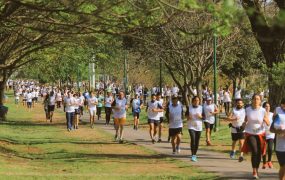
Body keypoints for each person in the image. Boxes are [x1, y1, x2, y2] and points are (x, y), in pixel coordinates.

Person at [241, 94, 269, 179]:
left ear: (260, 101)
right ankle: (254, 171)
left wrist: (266, 121)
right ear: (252, 100)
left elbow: (268, 122)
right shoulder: (247, 110)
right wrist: (243, 124)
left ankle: (257, 170)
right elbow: (244, 121)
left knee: (259, 153)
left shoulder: (263, 110)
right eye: (255, 99)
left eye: (258, 99)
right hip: (250, 133)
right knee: (254, 151)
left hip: (261, 134)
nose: (256, 101)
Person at [270, 98, 285, 180]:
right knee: (283, 166)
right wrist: (280, 132)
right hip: (280, 146)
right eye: (282, 106)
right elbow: (271, 129)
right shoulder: (278, 112)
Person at [188, 96, 203, 162]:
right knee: (193, 140)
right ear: (193, 101)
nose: (197, 102)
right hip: (191, 126)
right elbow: (186, 116)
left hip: (199, 127)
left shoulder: (201, 108)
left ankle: (195, 154)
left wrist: (200, 116)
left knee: (197, 142)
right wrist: (189, 117)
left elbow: (204, 117)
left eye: (198, 100)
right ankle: (193, 155)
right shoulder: (189, 107)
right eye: (195, 100)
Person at [262, 102, 275, 169]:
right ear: (263, 108)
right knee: (264, 149)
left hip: (271, 134)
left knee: (270, 148)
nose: (267, 108)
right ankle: (264, 163)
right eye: (266, 106)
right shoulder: (261, 115)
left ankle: (269, 161)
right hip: (263, 134)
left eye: (269, 106)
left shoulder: (272, 115)